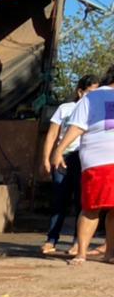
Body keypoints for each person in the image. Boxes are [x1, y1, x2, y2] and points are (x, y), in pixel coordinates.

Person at [51, 64, 114, 265]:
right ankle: (81, 253)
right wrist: (58, 150)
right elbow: (77, 127)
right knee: (91, 208)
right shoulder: (92, 98)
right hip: (98, 160)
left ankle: (110, 253)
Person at [41, 75, 96, 255]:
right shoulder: (65, 109)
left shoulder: (95, 109)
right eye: (89, 92)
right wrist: (47, 158)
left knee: (82, 201)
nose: (92, 96)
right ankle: (51, 239)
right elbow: (52, 134)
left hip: (84, 158)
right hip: (63, 157)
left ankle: (77, 243)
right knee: (59, 199)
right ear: (80, 92)